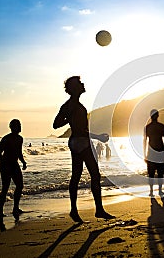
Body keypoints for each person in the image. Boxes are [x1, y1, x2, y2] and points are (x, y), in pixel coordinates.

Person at [53, 76, 114, 222]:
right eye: (80, 83)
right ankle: (97, 210)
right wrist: (98, 137)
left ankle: (75, 210)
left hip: (76, 142)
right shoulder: (72, 105)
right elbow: (57, 125)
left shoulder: (71, 105)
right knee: (93, 175)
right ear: (74, 88)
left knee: (77, 176)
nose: (83, 84)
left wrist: (68, 119)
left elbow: (59, 123)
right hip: (81, 142)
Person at [0, 119, 27, 220]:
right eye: (17, 125)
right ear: (12, 127)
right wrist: (3, 162)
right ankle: (0, 211)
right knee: (5, 188)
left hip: (15, 164)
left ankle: (15, 208)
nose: (19, 127)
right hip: (6, 165)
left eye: (19, 125)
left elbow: (19, 152)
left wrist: (23, 162)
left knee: (20, 185)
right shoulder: (6, 138)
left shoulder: (20, 138)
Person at [143, 109, 164, 197]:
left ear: (150, 116)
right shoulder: (162, 126)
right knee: (160, 173)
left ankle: (151, 191)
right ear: (157, 116)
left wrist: (144, 155)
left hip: (151, 153)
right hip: (160, 152)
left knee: (151, 174)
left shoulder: (147, 127)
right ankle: (160, 191)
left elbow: (144, 141)